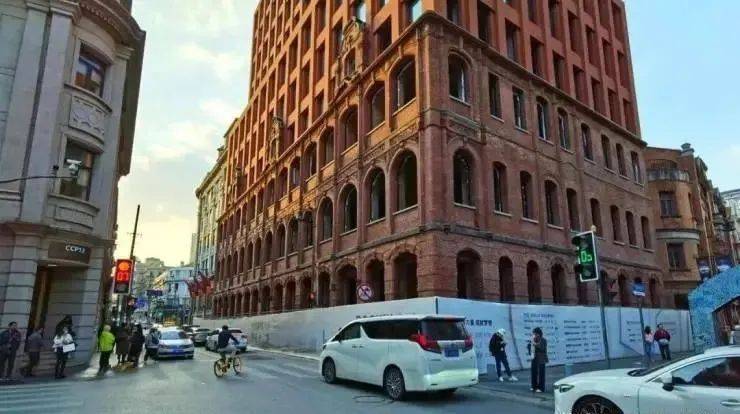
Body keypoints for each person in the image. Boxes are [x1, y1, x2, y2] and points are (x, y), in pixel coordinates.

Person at [527, 327, 548, 393]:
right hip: (534, 358)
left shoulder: (543, 340)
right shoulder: (533, 340)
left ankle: (541, 388)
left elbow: (542, 348)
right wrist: (529, 346)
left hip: (541, 358)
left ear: (539, 333)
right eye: (534, 334)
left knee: (541, 373)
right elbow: (530, 349)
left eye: (535, 334)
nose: (534, 335)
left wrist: (535, 345)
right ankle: (534, 386)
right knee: (533, 372)